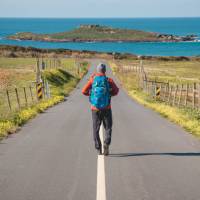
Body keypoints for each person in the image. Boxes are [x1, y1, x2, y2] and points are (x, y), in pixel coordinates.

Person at [82, 63, 119, 155]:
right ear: (105, 71)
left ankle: (98, 148)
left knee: (96, 129)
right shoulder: (108, 80)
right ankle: (106, 143)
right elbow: (116, 91)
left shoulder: (92, 80)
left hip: (95, 108)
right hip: (107, 107)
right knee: (108, 127)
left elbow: (84, 91)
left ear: (97, 70)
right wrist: (109, 95)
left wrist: (91, 95)